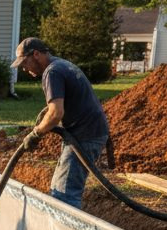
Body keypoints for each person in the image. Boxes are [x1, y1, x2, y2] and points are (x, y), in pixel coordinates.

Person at [12, 37, 110, 209]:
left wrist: (35, 134)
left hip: (84, 135)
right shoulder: (61, 65)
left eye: (24, 63)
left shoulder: (52, 72)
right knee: (62, 189)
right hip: (88, 132)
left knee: (63, 195)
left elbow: (56, 113)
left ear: (36, 54)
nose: (24, 69)